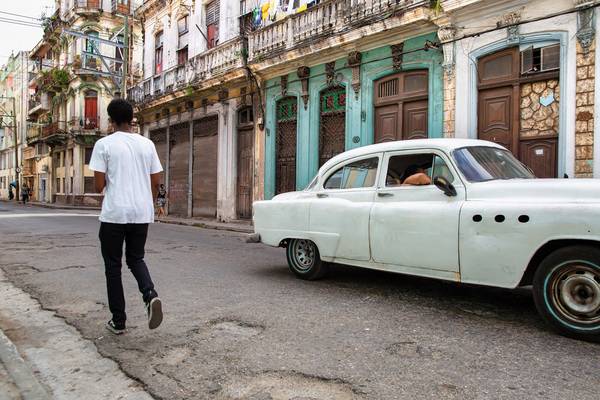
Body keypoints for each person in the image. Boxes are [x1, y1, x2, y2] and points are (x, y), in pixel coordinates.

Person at [89, 98, 163, 335]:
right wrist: (147, 203)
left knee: (113, 267)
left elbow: (99, 186)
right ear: (132, 119)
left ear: (110, 120)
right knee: (136, 259)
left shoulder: (104, 144)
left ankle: (119, 321)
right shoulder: (147, 144)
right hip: (141, 213)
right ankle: (149, 294)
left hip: (114, 214)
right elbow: (156, 180)